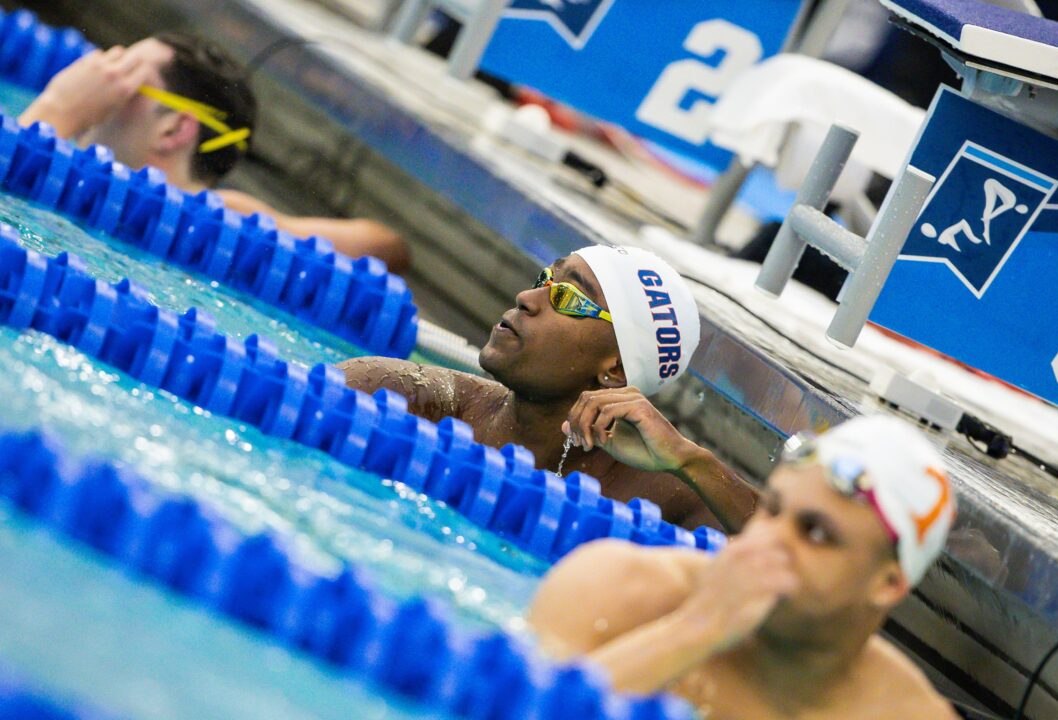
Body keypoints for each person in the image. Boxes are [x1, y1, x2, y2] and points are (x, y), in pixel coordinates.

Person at [529, 412, 959, 720]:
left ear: (887, 585)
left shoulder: (906, 712)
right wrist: (695, 629)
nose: (771, 541)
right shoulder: (614, 591)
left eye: (816, 533)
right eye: (772, 511)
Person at [339, 245, 759, 531]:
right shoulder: (412, 398)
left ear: (613, 371)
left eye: (569, 298)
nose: (527, 297)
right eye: (545, 279)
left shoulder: (658, 498)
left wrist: (692, 462)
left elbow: (813, 581)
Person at [17, 32, 409, 273]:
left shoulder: (226, 219)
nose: (95, 77)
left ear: (173, 129)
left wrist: (56, 110)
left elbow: (388, 246)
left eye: (126, 76)